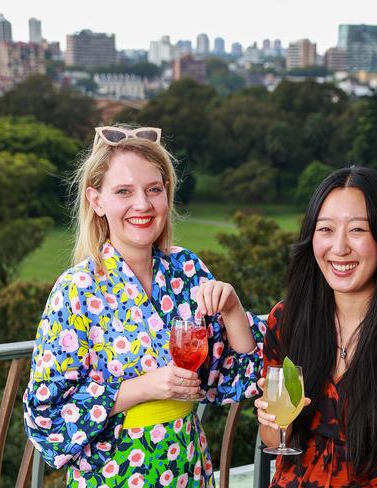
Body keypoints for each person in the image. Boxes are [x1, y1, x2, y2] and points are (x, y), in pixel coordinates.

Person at [23, 125, 264, 487]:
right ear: (96, 200)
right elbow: (47, 416)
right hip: (114, 474)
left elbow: (238, 377)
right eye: (124, 191)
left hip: (189, 466)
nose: (143, 204)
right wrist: (144, 387)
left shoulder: (187, 270)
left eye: (154, 189)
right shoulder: (76, 291)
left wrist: (232, 309)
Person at [255, 166, 377, 487]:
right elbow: (273, 441)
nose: (340, 247)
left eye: (358, 230)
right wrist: (273, 422)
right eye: (326, 229)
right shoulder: (287, 319)